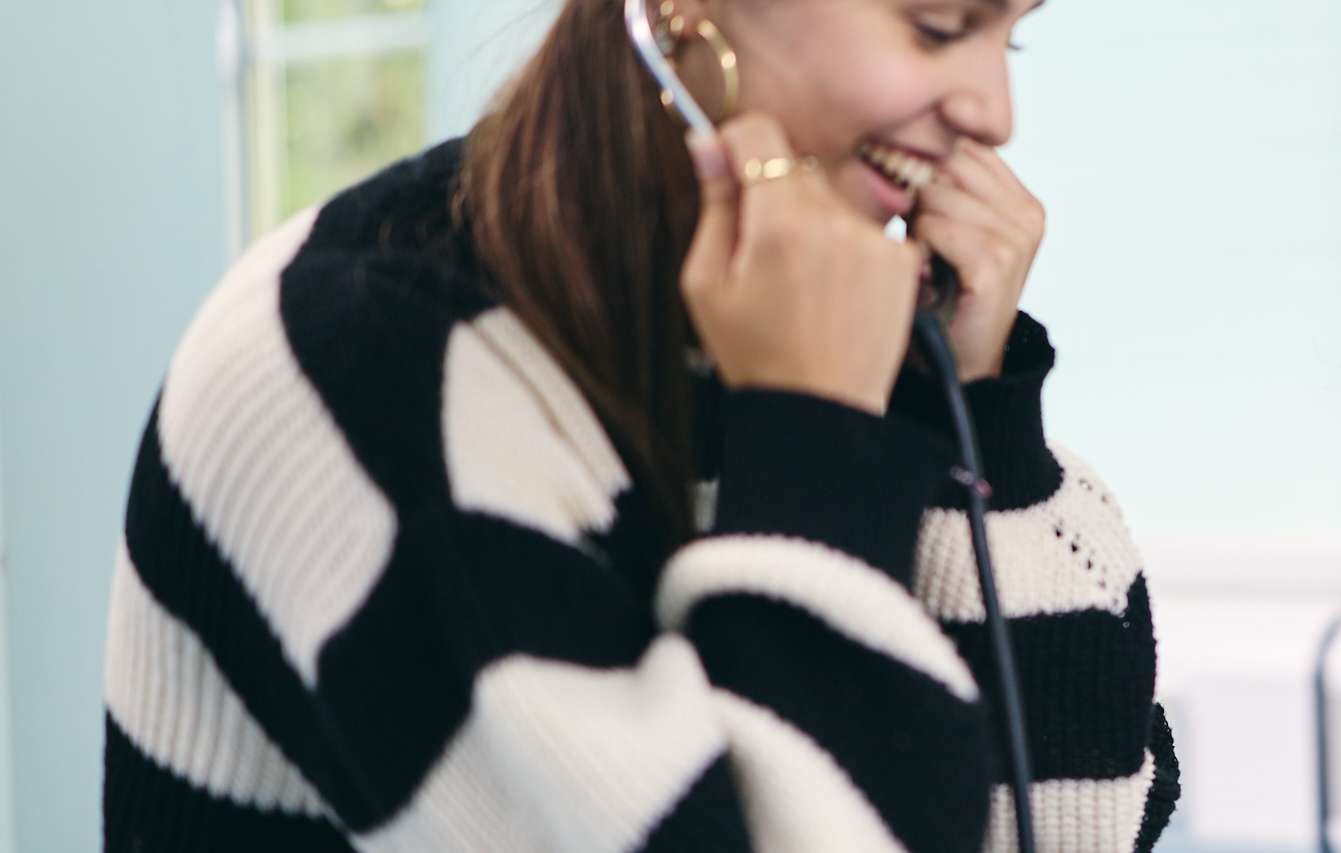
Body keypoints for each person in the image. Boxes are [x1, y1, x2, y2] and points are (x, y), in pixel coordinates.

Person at [103, 0, 1177, 849]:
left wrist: (973, 414)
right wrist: (817, 441)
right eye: (938, 26)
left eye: (1012, 37)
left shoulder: (780, 336)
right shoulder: (370, 363)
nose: (995, 113)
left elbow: (1075, 823)